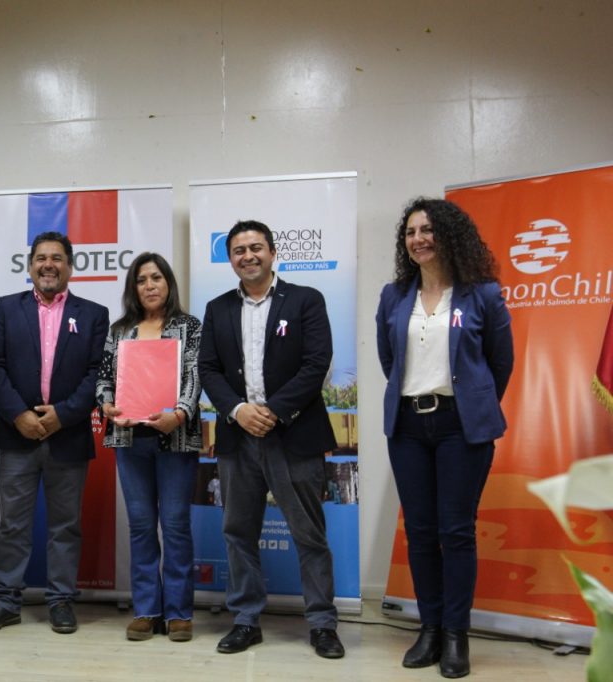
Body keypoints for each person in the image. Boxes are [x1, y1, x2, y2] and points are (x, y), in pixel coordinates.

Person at [376, 198, 513, 679]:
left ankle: (456, 634)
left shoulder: (483, 294)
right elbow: (389, 360)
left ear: (450, 235)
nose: (419, 239)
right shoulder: (394, 296)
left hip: (461, 427)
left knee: (455, 532)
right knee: (419, 531)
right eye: (411, 232)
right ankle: (429, 628)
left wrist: (471, 402)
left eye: (428, 229)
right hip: (408, 427)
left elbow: (500, 363)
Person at [198, 220, 344, 659]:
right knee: (238, 532)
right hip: (237, 436)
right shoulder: (218, 308)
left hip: (293, 434)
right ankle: (245, 620)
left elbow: (317, 362)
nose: (248, 256)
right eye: (238, 250)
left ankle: (322, 623)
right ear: (230, 259)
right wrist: (238, 410)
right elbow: (208, 369)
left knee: (309, 534)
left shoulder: (305, 300)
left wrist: (274, 411)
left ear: (273, 252)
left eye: (255, 247)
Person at [0, 231, 108, 635]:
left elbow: (98, 373)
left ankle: (61, 600)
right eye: (41, 258)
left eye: (57, 258)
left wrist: (62, 415)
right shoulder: (7, 307)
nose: (48, 265)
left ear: (70, 266)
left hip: (67, 435)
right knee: (12, 524)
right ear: (30, 265)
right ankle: (5, 601)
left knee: (65, 525)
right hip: (17, 434)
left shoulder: (93, 314)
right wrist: (19, 414)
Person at [95, 252, 202, 642]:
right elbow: (104, 379)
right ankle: (146, 610)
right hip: (130, 439)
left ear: (168, 283)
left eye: (157, 278)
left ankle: (178, 613)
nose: (150, 285)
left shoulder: (189, 326)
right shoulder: (120, 330)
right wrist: (107, 405)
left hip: (175, 438)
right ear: (133, 288)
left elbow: (195, 375)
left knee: (175, 527)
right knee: (141, 527)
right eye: (141, 280)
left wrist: (180, 412)